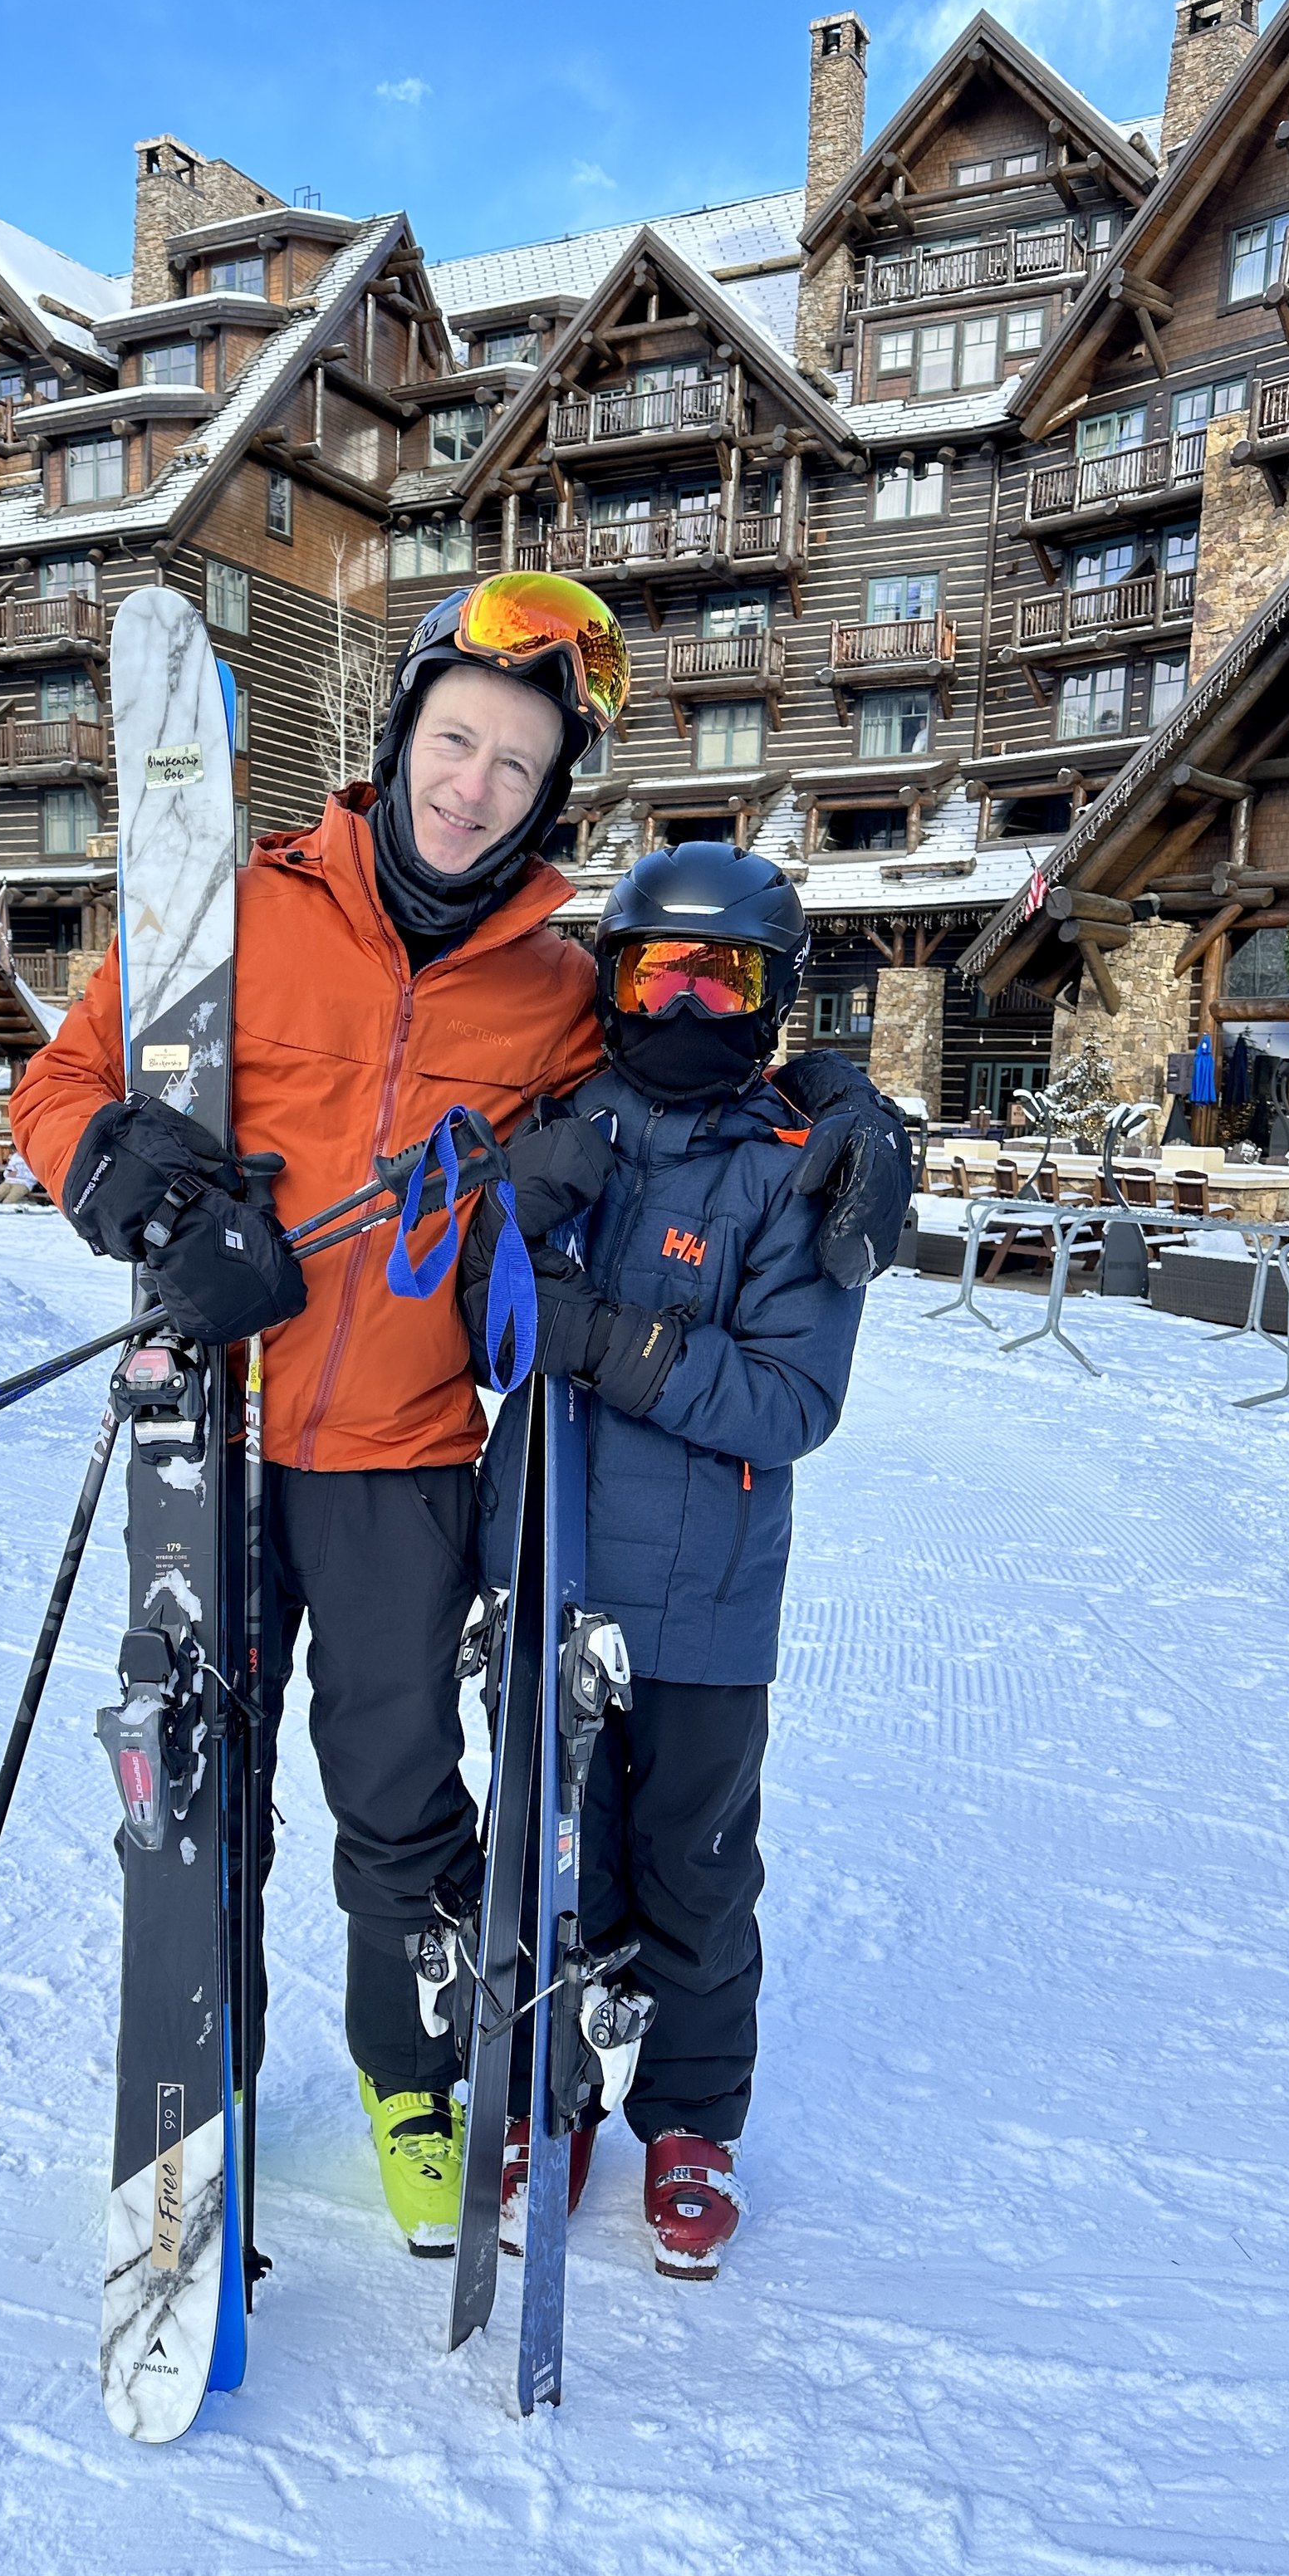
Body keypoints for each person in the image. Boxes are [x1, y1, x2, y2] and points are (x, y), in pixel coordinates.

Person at [10, 575, 908, 2260]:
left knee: (404, 1801)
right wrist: (126, 1179)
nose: (471, 780)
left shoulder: (555, 990)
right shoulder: (240, 906)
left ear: (548, 792)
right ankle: (195, 2088)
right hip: (207, 1421)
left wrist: (842, 1103)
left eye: (514, 759)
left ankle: (409, 2079)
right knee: (205, 1788)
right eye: (454, 736)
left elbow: (685, 1077)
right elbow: (58, 1085)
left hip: (405, 1452)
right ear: (400, 730)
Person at [458, 841, 902, 2280]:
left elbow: (793, 1398)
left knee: (694, 1867)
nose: (696, 1004)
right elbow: (476, 1322)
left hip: (705, 1600)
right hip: (553, 1559)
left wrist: (618, 1344)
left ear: (776, 998)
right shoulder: (562, 1122)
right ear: (617, 977)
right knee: (548, 1853)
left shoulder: (799, 1167)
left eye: (732, 976)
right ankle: (553, 2092)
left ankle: (692, 2120)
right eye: (665, 971)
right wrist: (526, 1213)